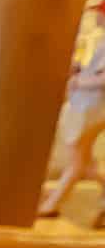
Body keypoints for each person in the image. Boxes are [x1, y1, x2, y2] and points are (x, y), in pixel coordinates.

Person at [40, 37, 105, 217]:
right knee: (85, 162)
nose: (99, 18)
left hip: (92, 109)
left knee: (77, 160)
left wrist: (78, 82)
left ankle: (52, 204)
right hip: (89, 108)